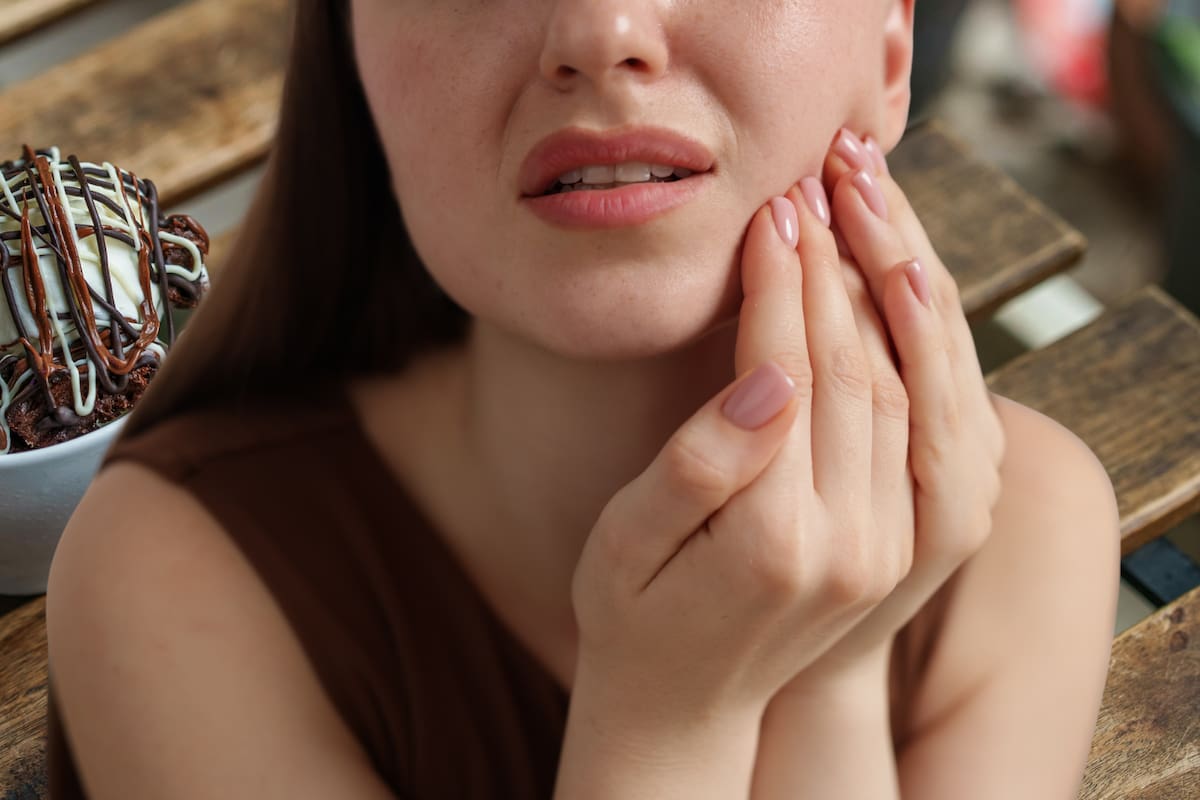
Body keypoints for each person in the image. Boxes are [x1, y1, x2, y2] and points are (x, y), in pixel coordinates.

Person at [44, 0, 1121, 797]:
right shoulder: (172, 583)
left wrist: (827, 675)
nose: (601, 31)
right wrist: (667, 722)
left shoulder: (1034, 528)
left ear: (892, 49)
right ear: (357, 68)